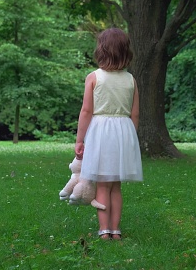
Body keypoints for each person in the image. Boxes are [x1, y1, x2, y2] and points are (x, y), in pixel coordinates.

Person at [75, 28, 143, 240]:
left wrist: (79, 139)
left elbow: (86, 110)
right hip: (123, 131)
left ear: (101, 50)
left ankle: (104, 231)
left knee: (102, 184)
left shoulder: (94, 77)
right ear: (125, 51)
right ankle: (116, 230)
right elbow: (136, 114)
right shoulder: (131, 80)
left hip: (100, 132)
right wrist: (130, 139)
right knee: (116, 186)